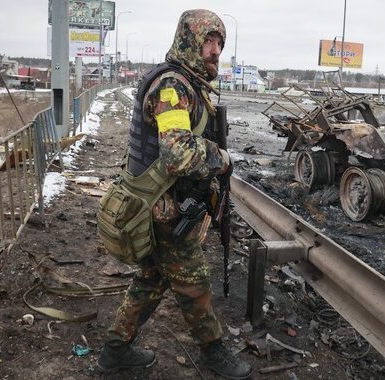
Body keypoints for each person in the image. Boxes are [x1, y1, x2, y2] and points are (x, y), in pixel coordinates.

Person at [97, 9, 252, 379]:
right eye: (208, 42)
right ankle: (214, 351)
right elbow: (179, 152)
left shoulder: (189, 83)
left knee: (153, 277)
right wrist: (224, 158)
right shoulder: (173, 87)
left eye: (219, 43)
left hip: (163, 202)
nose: (215, 50)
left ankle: (114, 350)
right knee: (193, 279)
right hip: (160, 206)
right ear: (189, 42)